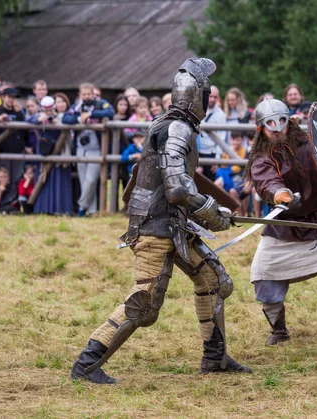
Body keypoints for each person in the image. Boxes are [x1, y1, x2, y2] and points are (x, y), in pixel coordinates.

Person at [70, 58, 250, 384]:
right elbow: (178, 188)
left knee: (214, 281)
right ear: (199, 97)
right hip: (155, 228)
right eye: (207, 95)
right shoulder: (177, 128)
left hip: (174, 225)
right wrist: (214, 213)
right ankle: (86, 366)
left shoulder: (166, 122)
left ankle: (215, 357)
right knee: (144, 304)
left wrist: (210, 216)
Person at [245, 98, 317, 347]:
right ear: (260, 128)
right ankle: (279, 330)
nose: (277, 129)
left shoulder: (311, 145)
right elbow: (267, 182)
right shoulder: (260, 158)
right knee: (263, 274)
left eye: (281, 122)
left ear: (290, 122)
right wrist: (281, 195)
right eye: (270, 125)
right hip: (284, 224)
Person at [62, 82, 114, 216]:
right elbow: (66, 118)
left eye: (89, 94)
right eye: (84, 94)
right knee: (84, 181)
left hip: (96, 149)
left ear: (93, 94)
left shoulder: (100, 104)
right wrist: (79, 118)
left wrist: (90, 115)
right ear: (80, 95)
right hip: (80, 148)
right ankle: (91, 211)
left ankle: (81, 207)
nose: (86, 97)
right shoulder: (77, 106)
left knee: (91, 180)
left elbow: (110, 112)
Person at [31, 96, 74, 216]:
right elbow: (28, 120)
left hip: (58, 151)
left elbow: (69, 123)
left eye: (50, 110)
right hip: (44, 151)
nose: (49, 112)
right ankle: (43, 207)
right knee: (44, 178)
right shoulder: (39, 116)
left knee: (59, 179)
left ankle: (60, 208)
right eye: (46, 110)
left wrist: (55, 121)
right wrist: (38, 120)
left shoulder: (62, 117)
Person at [0, 87, 32, 184]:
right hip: (4, 149)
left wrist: (19, 112)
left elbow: (24, 127)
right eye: (9, 97)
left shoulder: (18, 111)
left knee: (17, 177)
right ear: (3, 97)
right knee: (4, 177)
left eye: (14, 97)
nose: (12, 100)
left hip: (18, 149)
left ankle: (15, 198)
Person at [215, 130, 249, 215]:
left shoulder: (245, 152)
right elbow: (223, 166)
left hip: (240, 176)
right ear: (230, 139)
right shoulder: (227, 150)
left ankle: (240, 215)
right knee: (216, 185)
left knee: (233, 191)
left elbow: (243, 169)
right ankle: (223, 211)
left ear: (242, 140)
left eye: (238, 140)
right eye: (233, 140)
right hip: (227, 176)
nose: (235, 142)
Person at [198, 85, 226, 181]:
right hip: (198, 152)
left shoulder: (221, 115)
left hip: (212, 153)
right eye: (210, 96)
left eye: (215, 97)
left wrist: (216, 159)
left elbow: (221, 138)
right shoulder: (198, 110)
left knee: (211, 183)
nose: (212, 99)